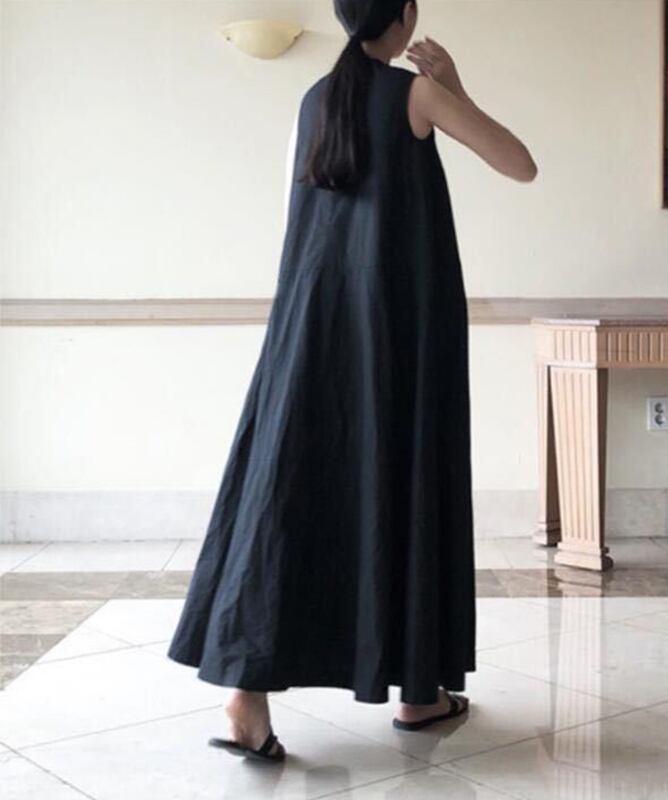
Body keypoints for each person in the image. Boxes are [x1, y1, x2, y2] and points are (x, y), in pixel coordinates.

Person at [166, 0, 537, 762]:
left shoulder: (314, 99)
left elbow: (309, 219)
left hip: (310, 324)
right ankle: (419, 692)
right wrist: (456, 89)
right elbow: (519, 163)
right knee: (407, 480)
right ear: (404, 15)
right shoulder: (415, 93)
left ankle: (247, 697)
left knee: (286, 493)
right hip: (399, 331)